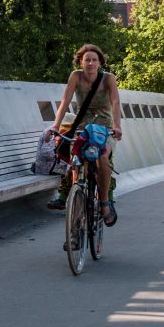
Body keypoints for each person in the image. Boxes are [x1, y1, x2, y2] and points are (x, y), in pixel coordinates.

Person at [48, 43, 123, 225]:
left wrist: (117, 126)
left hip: (104, 127)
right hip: (82, 125)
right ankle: (71, 198)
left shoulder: (108, 79)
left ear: (100, 63)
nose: (90, 63)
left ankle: (104, 203)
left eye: (94, 60)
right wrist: (56, 125)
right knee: (76, 160)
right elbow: (65, 101)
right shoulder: (76, 76)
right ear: (80, 62)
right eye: (87, 60)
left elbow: (115, 102)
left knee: (103, 157)